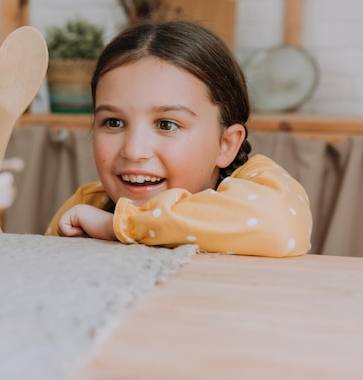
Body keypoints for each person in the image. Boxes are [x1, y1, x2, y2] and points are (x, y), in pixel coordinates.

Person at [45, 20, 311, 257]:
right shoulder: (87, 206)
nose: (134, 151)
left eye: (167, 124)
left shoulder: (262, 191)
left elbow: (279, 224)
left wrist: (117, 226)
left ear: (226, 144)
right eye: (113, 122)